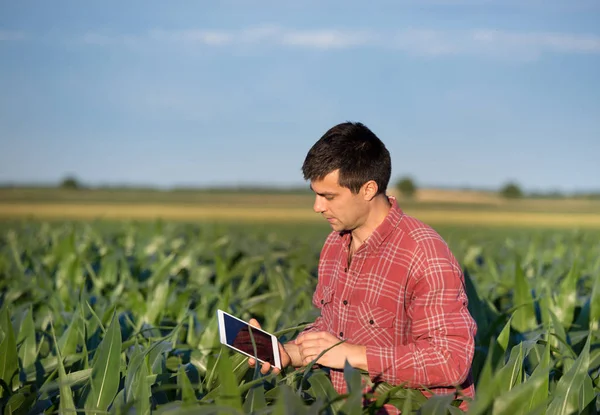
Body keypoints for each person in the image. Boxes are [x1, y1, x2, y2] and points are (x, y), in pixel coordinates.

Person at [248, 121, 477, 413]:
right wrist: (289, 352)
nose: (317, 207)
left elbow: (450, 359)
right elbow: (332, 327)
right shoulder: (335, 244)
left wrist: (352, 355)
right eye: (315, 194)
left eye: (329, 196)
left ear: (368, 189)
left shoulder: (424, 253)